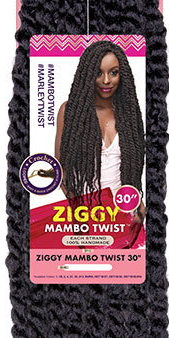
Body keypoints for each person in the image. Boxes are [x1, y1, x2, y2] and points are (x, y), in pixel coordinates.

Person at [55, 40, 145, 223]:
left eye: (113, 72)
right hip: (85, 216)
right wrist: (80, 212)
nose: (106, 80)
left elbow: (134, 169)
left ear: (122, 75)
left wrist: (139, 208)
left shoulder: (129, 115)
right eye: (98, 73)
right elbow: (60, 169)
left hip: (124, 216)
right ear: (88, 74)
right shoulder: (70, 112)